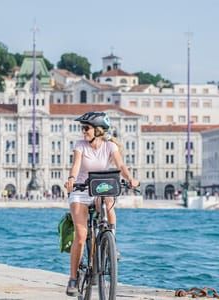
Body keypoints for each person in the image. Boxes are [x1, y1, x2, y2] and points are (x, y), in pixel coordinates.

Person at [63, 112, 139, 296]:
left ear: (98, 130)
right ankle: (73, 278)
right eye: (83, 128)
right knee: (81, 236)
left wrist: (130, 179)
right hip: (81, 190)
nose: (83, 131)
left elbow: (121, 165)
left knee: (109, 200)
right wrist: (71, 179)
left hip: (100, 188)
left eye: (86, 128)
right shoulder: (80, 145)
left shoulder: (110, 146)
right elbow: (76, 164)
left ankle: (111, 240)